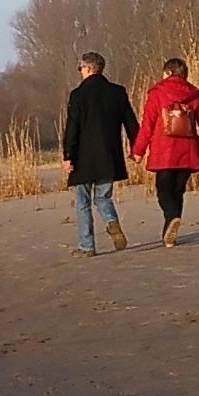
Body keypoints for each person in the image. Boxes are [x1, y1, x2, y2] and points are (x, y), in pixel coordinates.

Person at [131, 56, 199, 246]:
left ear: (168, 72)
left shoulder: (157, 92)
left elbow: (147, 124)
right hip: (187, 150)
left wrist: (138, 151)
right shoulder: (194, 94)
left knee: (164, 191)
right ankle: (169, 236)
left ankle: (172, 218)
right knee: (177, 191)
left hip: (164, 150)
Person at [58, 50, 138, 255]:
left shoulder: (78, 95)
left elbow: (72, 128)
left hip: (83, 157)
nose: (80, 72)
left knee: (82, 202)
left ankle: (87, 246)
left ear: (87, 68)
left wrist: (67, 156)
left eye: (80, 68)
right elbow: (130, 122)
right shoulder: (117, 92)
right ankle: (111, 221)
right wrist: (137, 147)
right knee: (103, 197)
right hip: (108, 155)